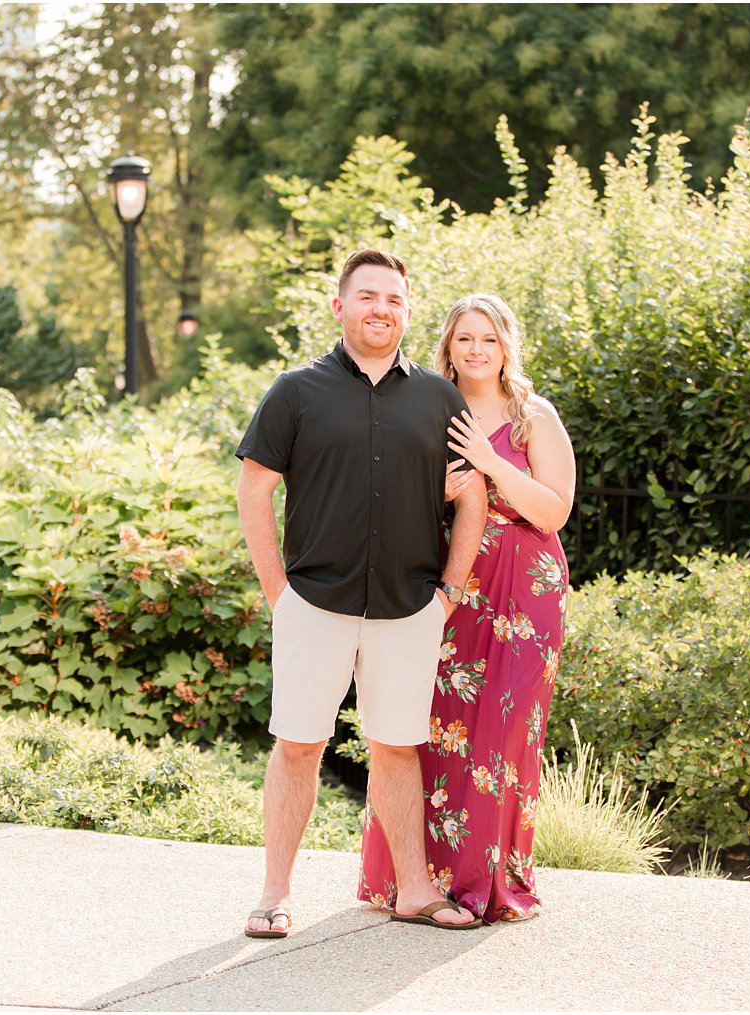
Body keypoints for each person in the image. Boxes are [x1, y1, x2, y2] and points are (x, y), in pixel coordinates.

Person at [236, 249, 488, 939]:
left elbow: (473, 497)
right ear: (340, 305)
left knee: (397, 746)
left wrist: (450, 592)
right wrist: (277, 592)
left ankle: (413, 888)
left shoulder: (439, 398)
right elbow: (254, 488)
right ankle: (274, 892)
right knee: (298, 743)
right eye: (368, 296)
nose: (382, 308)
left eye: (395, 299)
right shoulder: (295, 391)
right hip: (313, 602)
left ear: (408, 311)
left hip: (410, 605)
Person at [358, 291, 576, 925]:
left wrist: (488, 465)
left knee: (505, 733)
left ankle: (492, 881)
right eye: (464, 339)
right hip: (449, 581)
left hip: (524, 585)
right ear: (447, 347)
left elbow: (554, 510)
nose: (476, 350)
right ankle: (415, 880)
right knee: (433, 725)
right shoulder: (430, 409)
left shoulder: (534, 417)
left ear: (507, 345)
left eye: (488, 338)